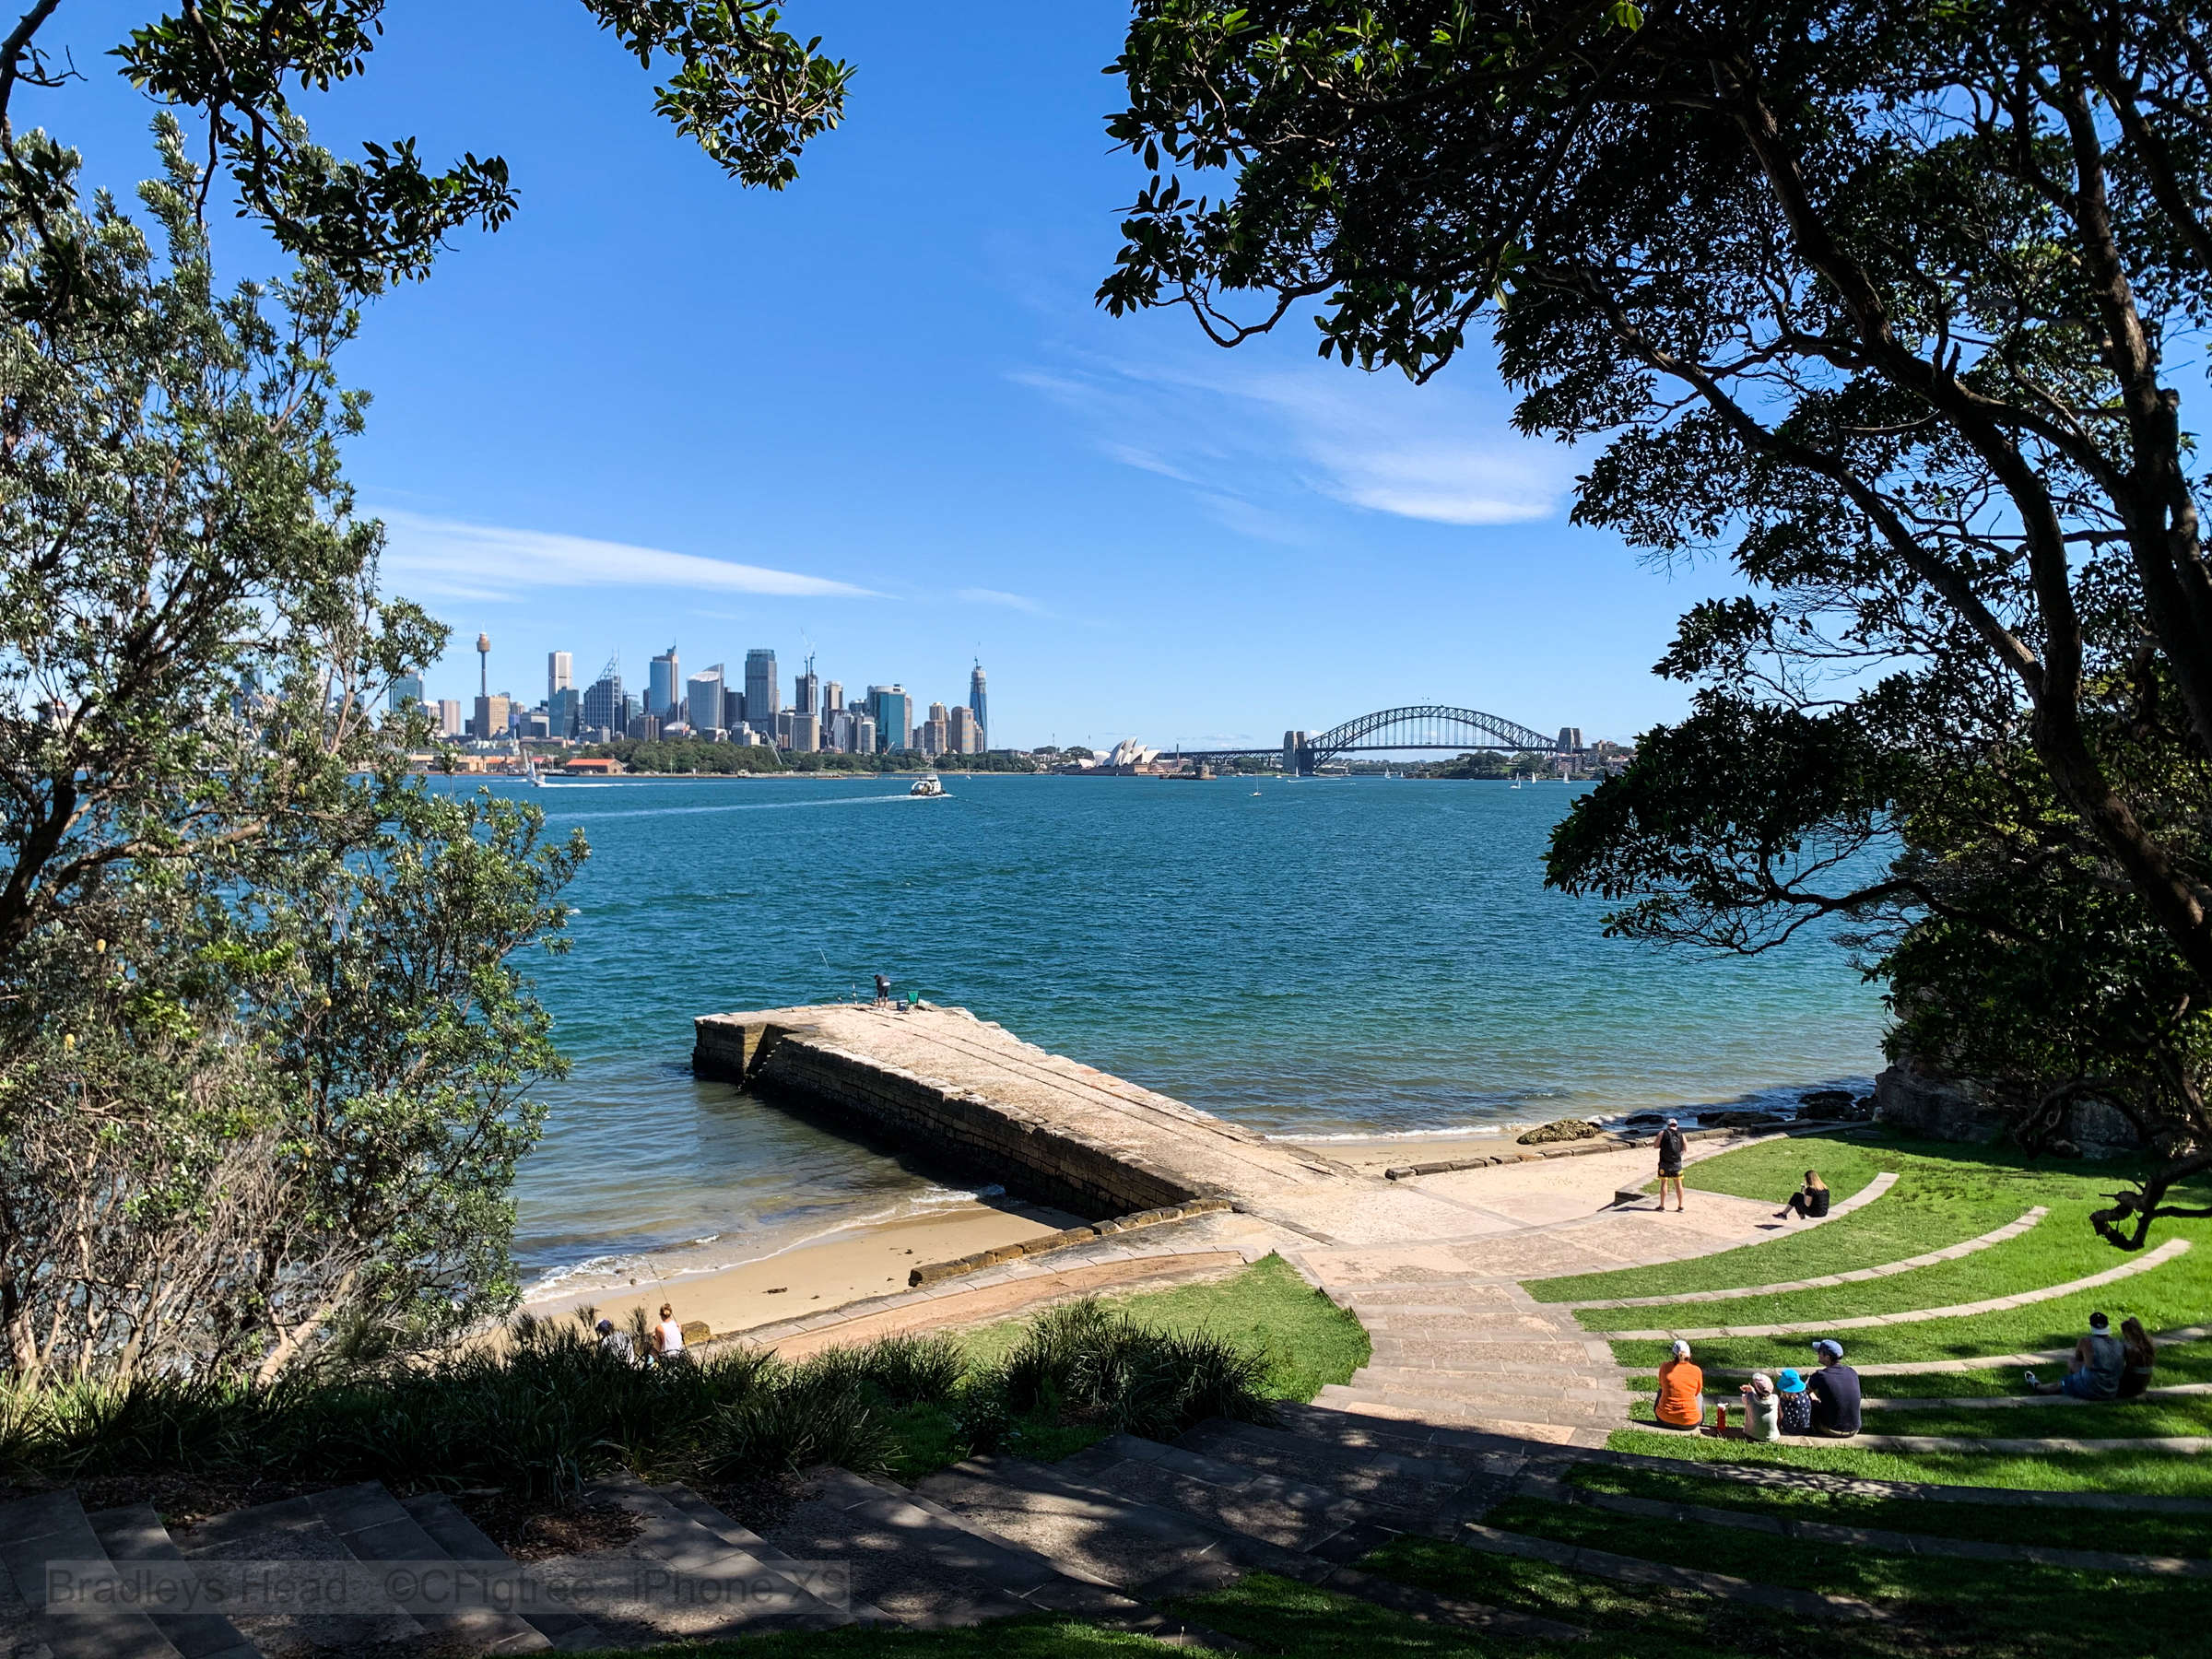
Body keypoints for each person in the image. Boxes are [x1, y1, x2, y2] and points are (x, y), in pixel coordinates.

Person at [2025, 1311, 2125, 1399]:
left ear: (2092, 1326)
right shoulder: (2119, 1343)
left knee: (2059, 1382)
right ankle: (2073, 1383)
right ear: (2107, 1325)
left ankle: (2037, 1385)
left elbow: (2078, 1359)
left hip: (2091, 1390)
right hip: (2111, 1391)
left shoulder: (2086, 1342)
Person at [1806, 1339, 1861, 1436]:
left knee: (1807, 1399)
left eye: (1819, 1352)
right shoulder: (1852, 1372)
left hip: (1831, 1429)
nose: (1817, 1354)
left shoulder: (1821, 1375)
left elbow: (1805, 1390)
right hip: (1854, 1429)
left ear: (1827, 1357)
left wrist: (1813, 1397)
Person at [1654, 1338, 1705, 1429]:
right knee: (1699, 1395)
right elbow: (1697, 1392)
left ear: (1674, 1355)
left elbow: (1662, 1384)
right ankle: (1700, 1422)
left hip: (1664, 1419)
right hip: (1690, 1422)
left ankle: (1664, 1412)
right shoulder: (1696, 1371)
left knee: (1661, 1390)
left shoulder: (1664, 1367)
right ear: (1690, 1355)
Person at [2118, 1316, 2157, 1399]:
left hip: (2135, 1383)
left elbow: (2129, 1368)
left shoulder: (2134, 1350)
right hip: (2145, 1381)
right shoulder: (2148, 1342)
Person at [1739, 1372, 1783, 1442]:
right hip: (1772, 1436)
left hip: (1752, 1434)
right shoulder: (1775, 1399)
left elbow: (1744, 1398)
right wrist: (1753, 1390)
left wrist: (1750, 1391)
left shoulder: (1749, 1397)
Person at [1655, 1117, 1687, 1211]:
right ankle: (1680, 1206)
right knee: (1678, 1184)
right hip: (1676, 1163)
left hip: (1664, 1163)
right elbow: (1685, 1149)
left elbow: (1656, 1146)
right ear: (1676, 1125)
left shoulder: (1662, 1133)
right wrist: (1678, 1155)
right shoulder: (1681, 1135)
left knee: (1664, 1183)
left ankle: (1662, 1206)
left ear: (1668, 1125)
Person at [1775, 1367, 1814, 1435]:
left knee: (1778, 1409)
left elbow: (1781, 1413)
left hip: (1792, 1429)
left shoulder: (1785, 1401)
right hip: (1806, 1428)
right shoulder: (1804, 1395)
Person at [652, 1301, 686, 1365]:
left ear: (661, 1315)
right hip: (679, 1354)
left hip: (667, 1357)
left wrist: (655, 1338)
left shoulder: (659, 1328)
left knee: (651, 1350)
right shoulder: (678, 1325)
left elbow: (658, 1347)